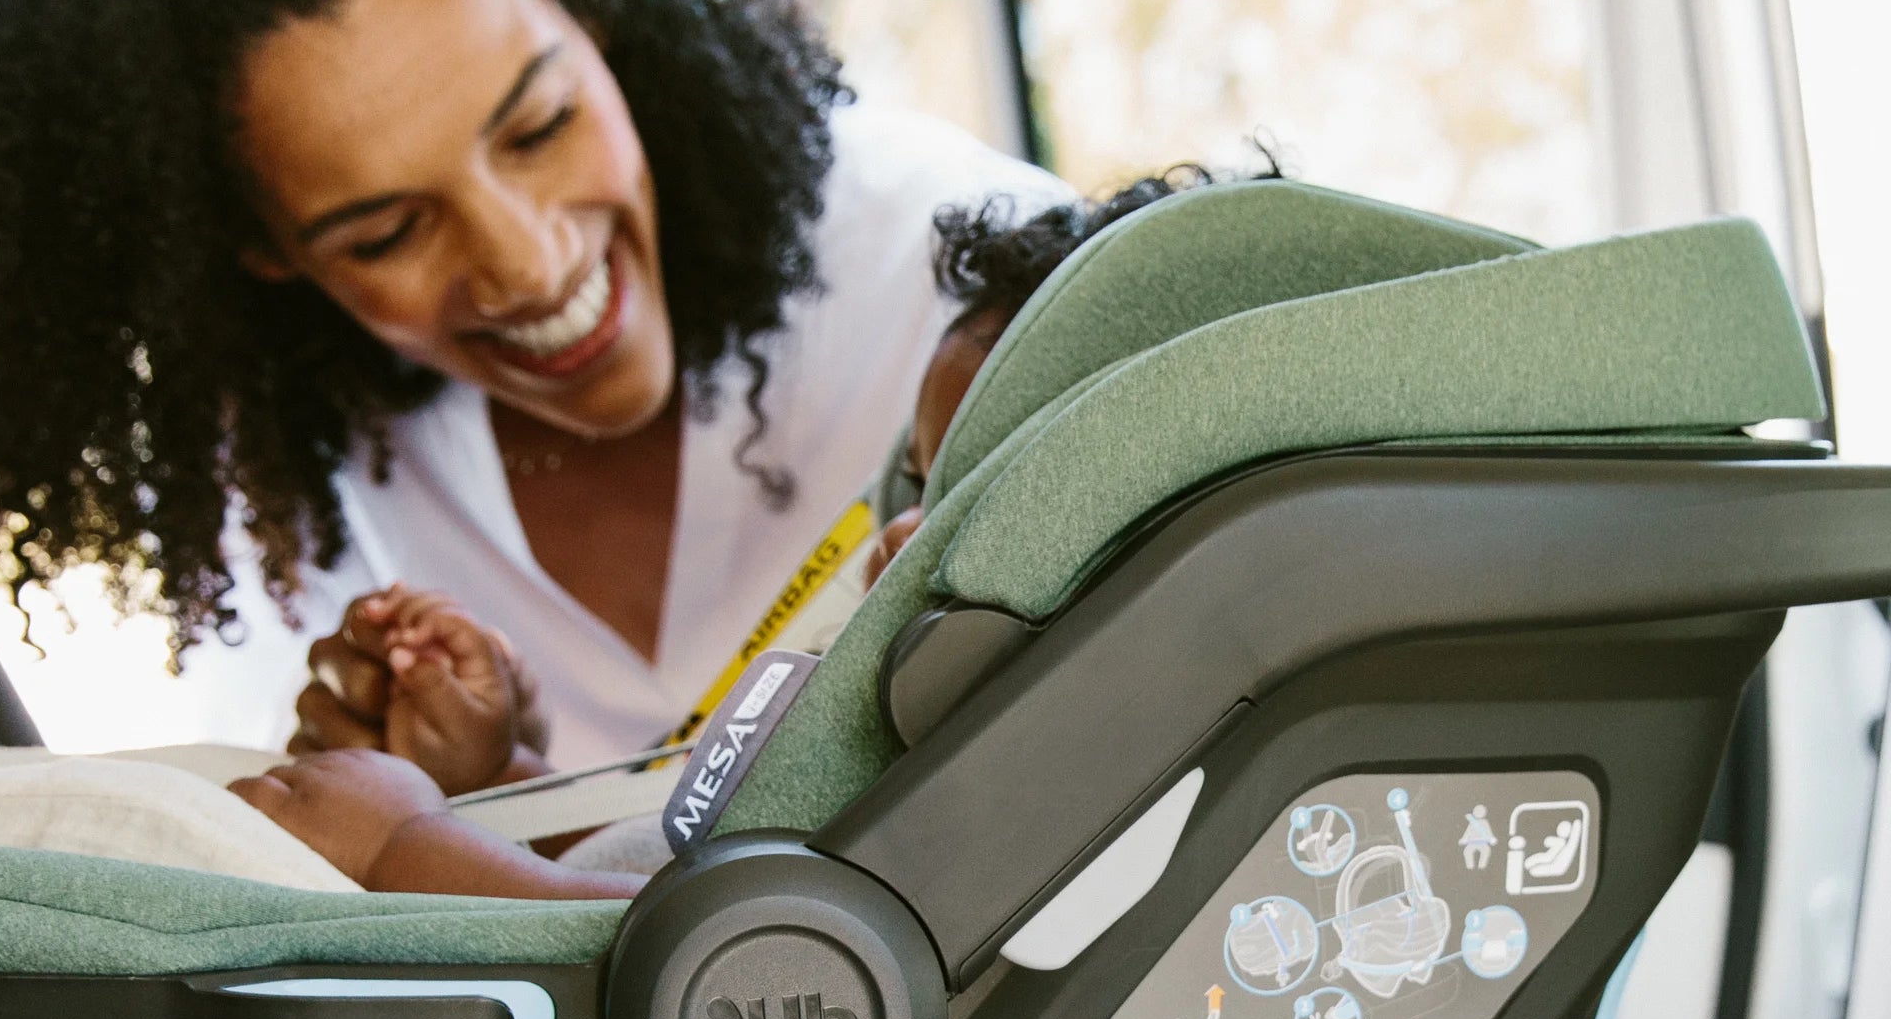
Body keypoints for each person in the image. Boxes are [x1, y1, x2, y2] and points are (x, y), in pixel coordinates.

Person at [0, 0, 1069, 769]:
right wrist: (461, 797)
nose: (526, 263)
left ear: (592, 11)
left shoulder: (960, 280)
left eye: (537, 127)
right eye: (384, 234)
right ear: (259, 253)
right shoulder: (294, 527)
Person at [233, 173, 1209, 895]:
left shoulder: (1065, 800)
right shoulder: (886, 741)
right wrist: (499, 776)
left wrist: (403, 851)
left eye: (981, 489)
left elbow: (725, 948)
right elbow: (672, 851)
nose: (903, 522)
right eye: (919, 478)